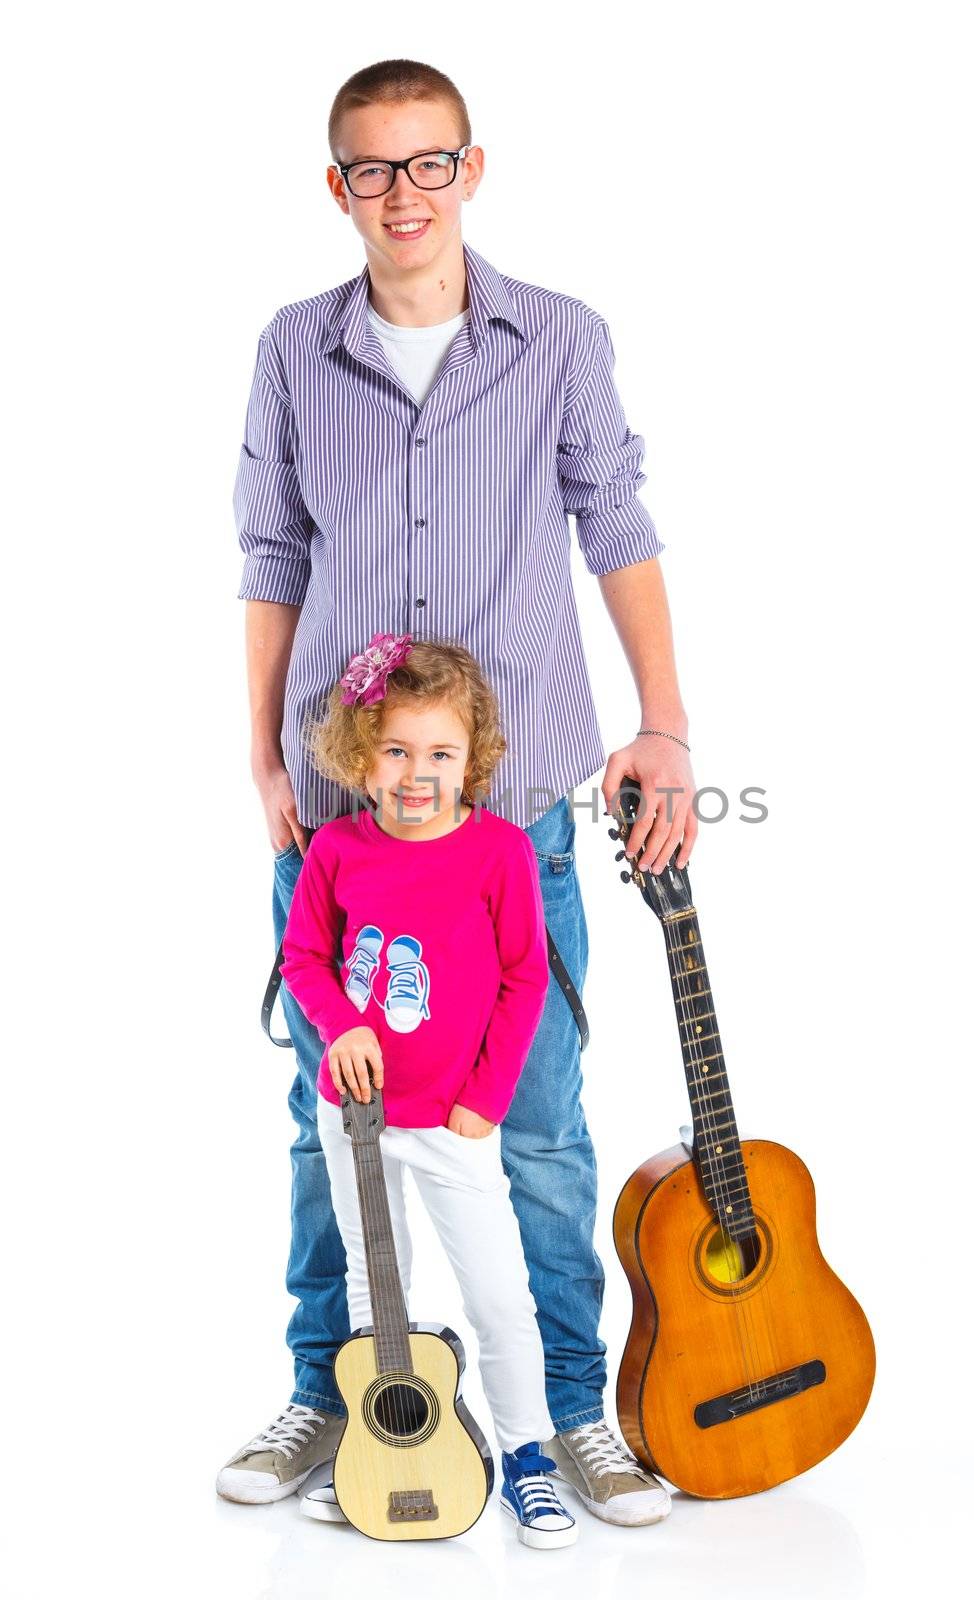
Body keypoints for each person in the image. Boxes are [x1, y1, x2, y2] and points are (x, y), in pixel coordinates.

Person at [218, 57, 696, 1527]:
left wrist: (660, 722)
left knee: (535, 1118)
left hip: (521, 804)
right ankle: (337, 1386)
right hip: (344, 818)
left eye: (429, 163)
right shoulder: (297, 351)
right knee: (328, 1115)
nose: (403, 193)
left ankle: (563, 1409)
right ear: (337, 187)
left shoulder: (553, 341)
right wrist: (262, 750)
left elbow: (614, 519)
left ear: (470, 170)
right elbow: (271, 556)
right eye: (374, 169)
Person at [275, 631, 578, 1547]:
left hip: (453, 1119)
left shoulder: (496, 853)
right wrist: (343, 1024)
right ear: (359, 758)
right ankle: (378, 1447)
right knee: (380, 1299)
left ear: (471, 758)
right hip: (355, 1118)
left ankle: (527, 1453)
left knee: (497, 1295)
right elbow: (304, 958)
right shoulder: (335, 849)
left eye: (440, 753)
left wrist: (484, 1100)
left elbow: (527, 978)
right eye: (395, 751)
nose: (417, 773)